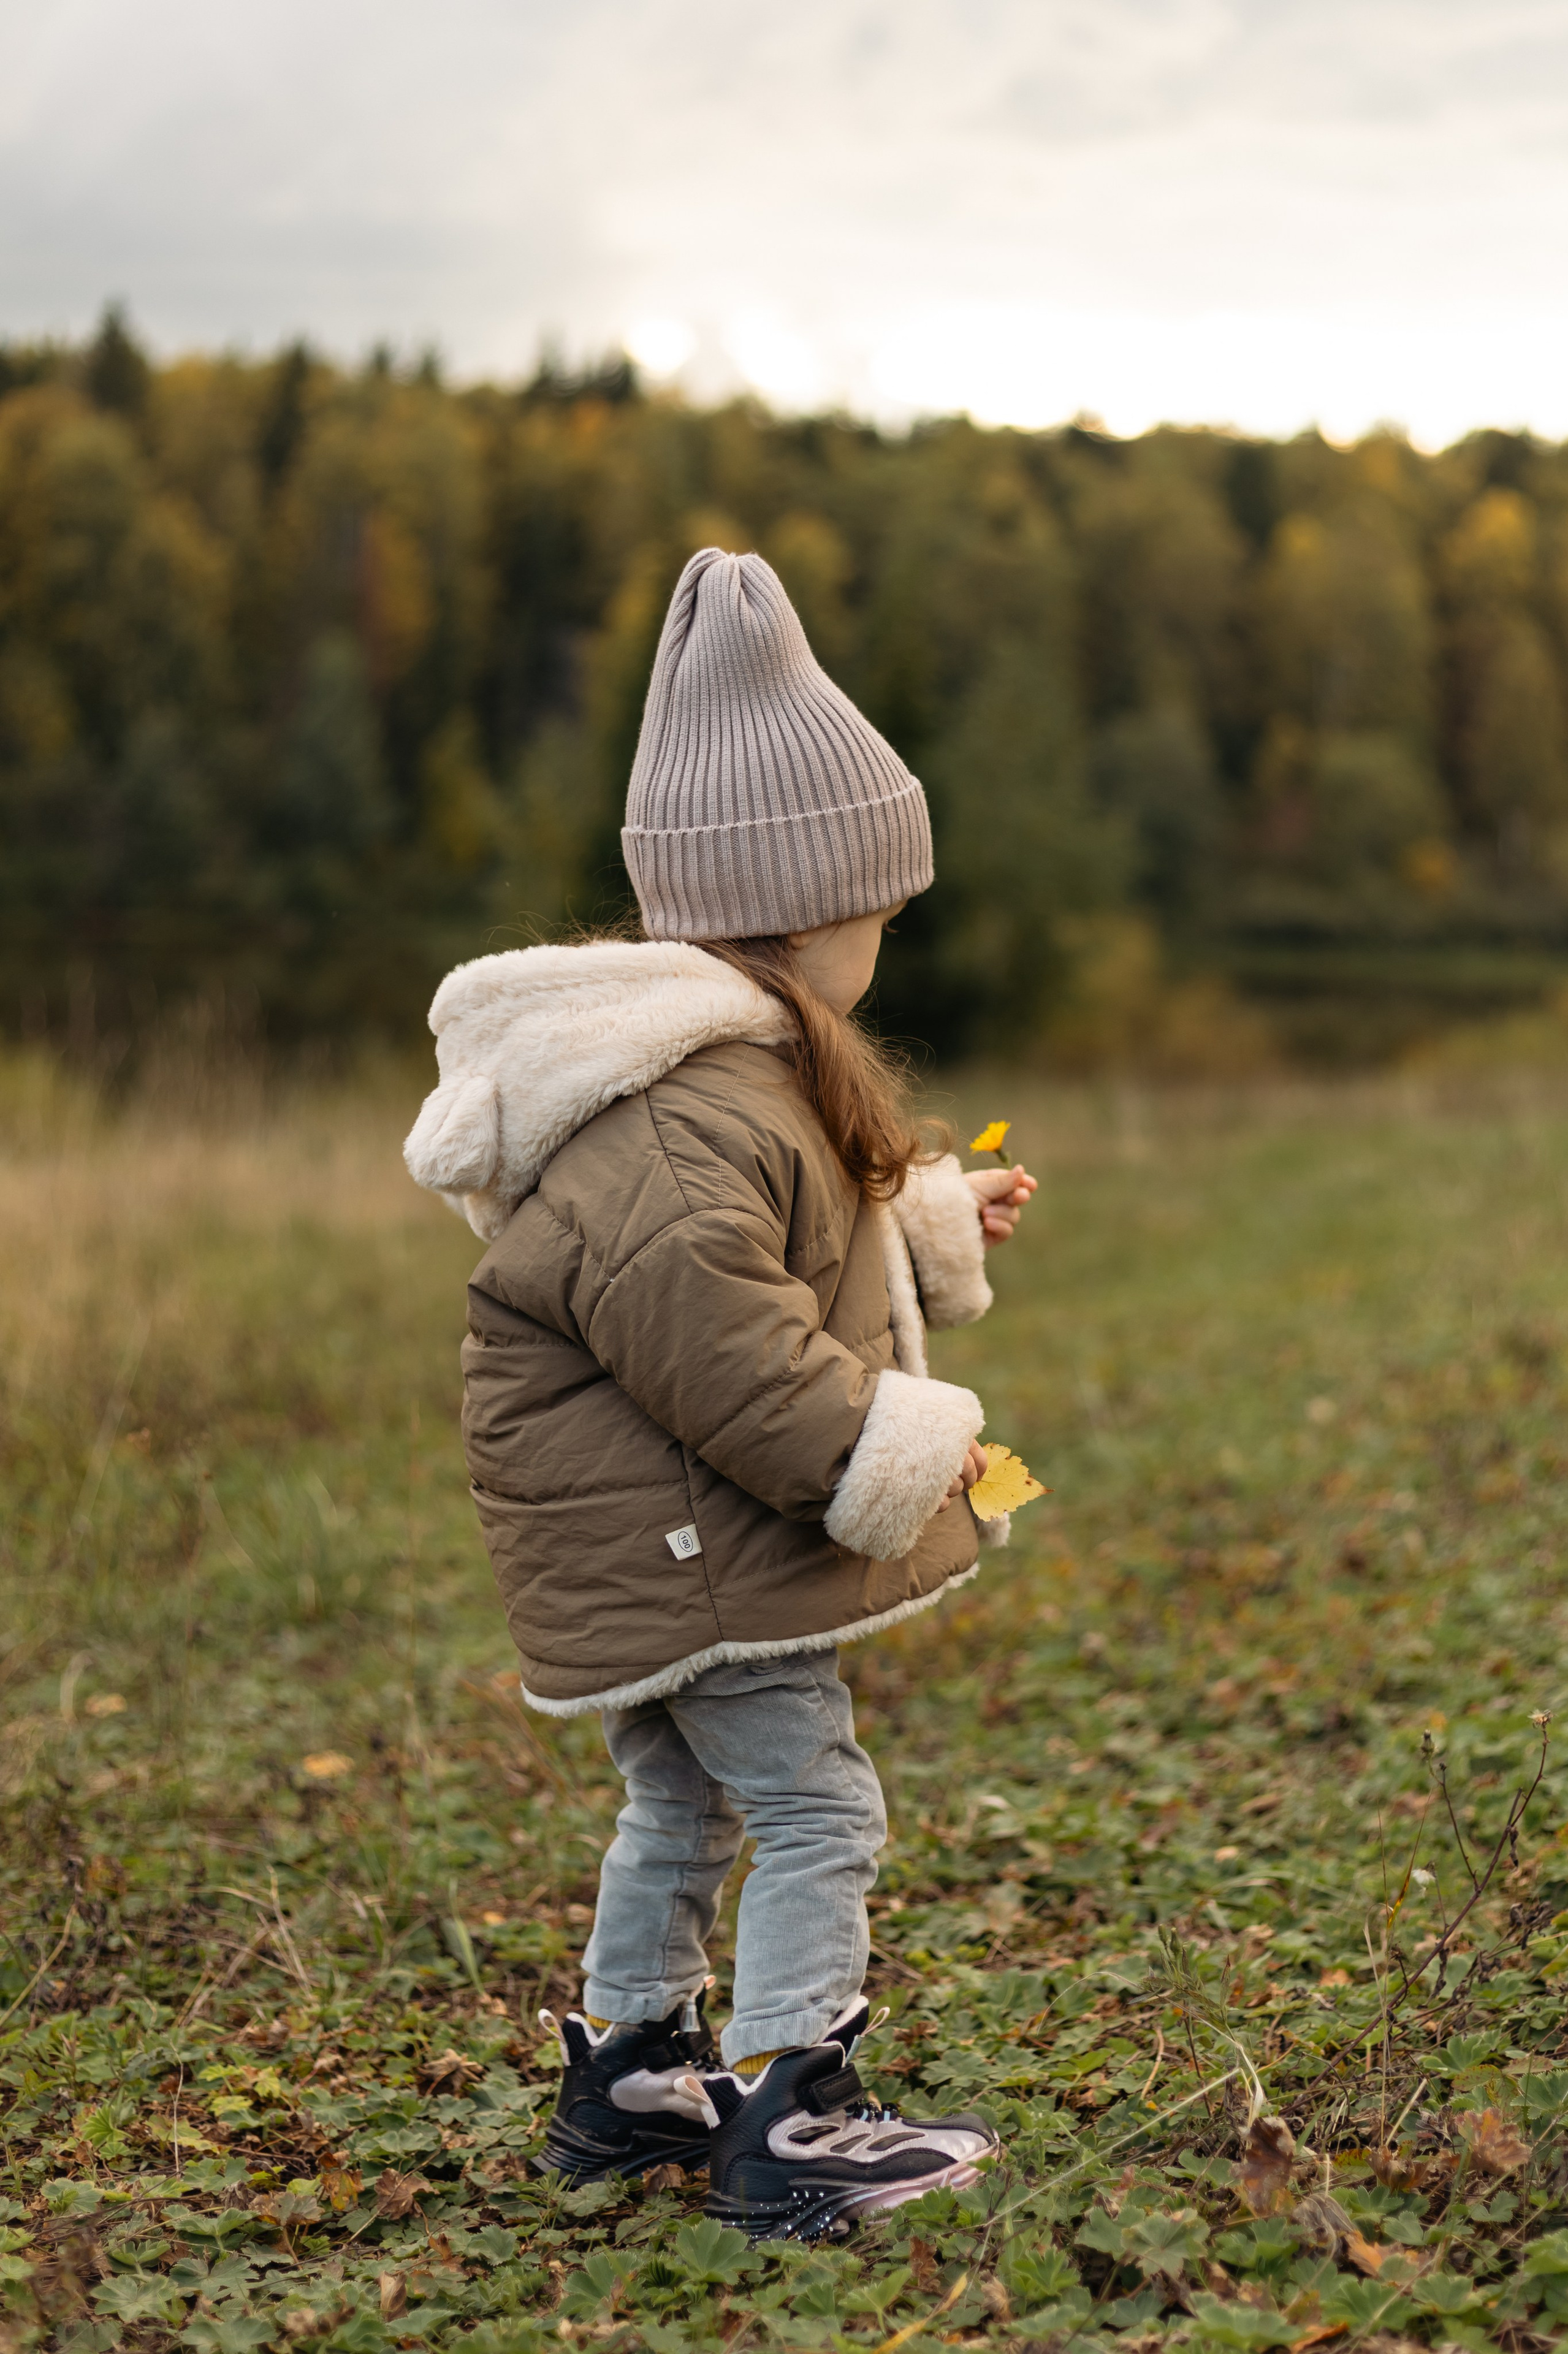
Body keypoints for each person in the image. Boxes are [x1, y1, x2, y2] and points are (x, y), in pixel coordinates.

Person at [404, 547, 1037, 2241]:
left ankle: (636, 2072)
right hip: (690, 1539)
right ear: (803, 907)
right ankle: (791, 2107)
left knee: (680, 1798)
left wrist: (922, 1215)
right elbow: (722, 1336)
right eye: (877, 915)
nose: (882, 945)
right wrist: (903, 1441)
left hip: (654, 1546)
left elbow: (758, 1234)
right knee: (820, 1804)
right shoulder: (686, 1110)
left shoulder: (702, 1083)